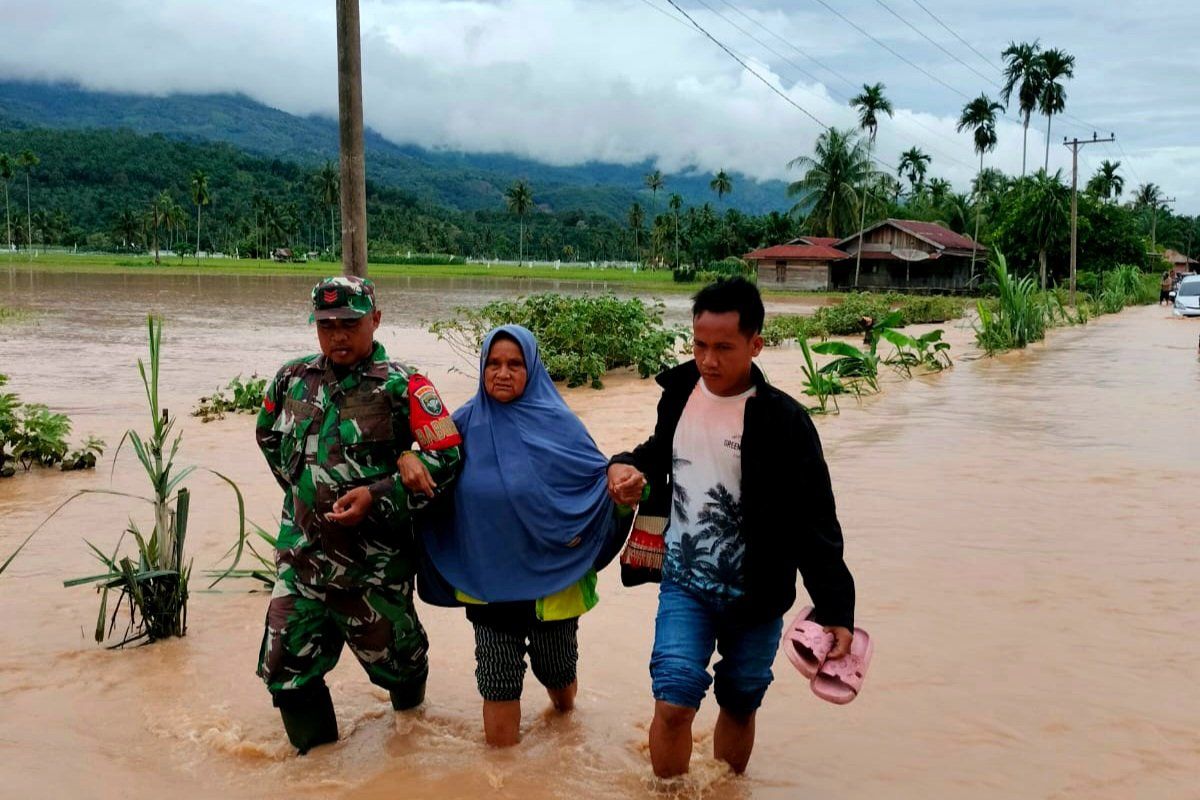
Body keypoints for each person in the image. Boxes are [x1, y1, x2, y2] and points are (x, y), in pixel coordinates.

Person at [607, 277, 856, 778]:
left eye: (723, 347)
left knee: (740, 703)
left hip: (758, 594)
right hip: (684, 583)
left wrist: (836, 610)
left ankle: (724, 788)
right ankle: (668, 793)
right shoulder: (678, 391)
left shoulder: (785, 422)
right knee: (674, 700)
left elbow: (815, 521)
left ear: (755, 344)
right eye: (700, 345)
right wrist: (624, 465)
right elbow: (660, 452)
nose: (708, 361)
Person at [255, 276, 463, 754]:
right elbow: (269, 437)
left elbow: (448, 456)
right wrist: (303, 498)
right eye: (327, 326)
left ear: (376, 320)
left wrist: (381, 492)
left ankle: (409, 736)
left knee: (400, 664)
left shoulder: (405, 384)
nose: (338, 336)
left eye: (350, 323)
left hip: (372, 569)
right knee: (286, 667)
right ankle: (318, 769)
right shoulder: (291, 379)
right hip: (303, 563)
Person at [401, 324, 622, 747]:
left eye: (515, 364)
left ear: (532, 369)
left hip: (552, 582)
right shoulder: (459, 426)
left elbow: (598, 481)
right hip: (488, 583)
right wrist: (406, 457)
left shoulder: (562, 426)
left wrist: (623, 481)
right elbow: (427, 467)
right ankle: (502, 779)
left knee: (557, 674)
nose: (502, 373)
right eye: (493, 364)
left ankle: (565, 731)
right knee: (497, 680)